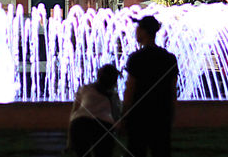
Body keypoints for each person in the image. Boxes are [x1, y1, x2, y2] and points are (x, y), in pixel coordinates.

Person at [120, 15, 179, 157]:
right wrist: (171, 114)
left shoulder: (136, 58)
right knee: (161, 151)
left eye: (138, 29)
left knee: (136, 150)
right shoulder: (169, 58)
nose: (136, 32)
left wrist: (124, 114)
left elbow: (130, 88)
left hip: (139, 114)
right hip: (161, 114)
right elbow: (173, 89)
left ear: (144, 32)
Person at [68, 64, 121, 157]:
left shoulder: (85, 89)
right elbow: (116, 116)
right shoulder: (113, 96)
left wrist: (69, 140)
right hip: (103, 126)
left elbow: (74, 112)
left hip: (79, 124)